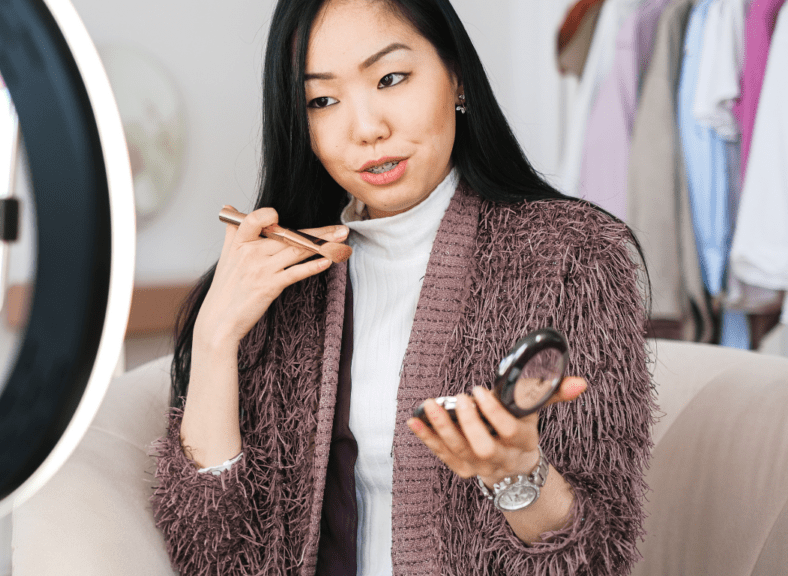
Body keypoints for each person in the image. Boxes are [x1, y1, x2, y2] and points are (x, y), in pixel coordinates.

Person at [150, 0, 655, 574]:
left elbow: (600, 558)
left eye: (390, 78)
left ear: (456, 76)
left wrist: (519, 479)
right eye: (322, 100)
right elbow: (209, 554)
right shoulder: (276, 282)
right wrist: (217, 336)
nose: (366, 129)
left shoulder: (573, 259)